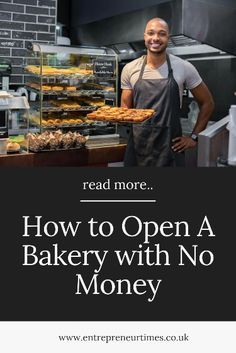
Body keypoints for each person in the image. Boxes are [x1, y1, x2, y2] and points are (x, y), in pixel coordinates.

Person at [121, 17, 215, 167]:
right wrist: (119, 117)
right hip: (138, 147)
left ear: (168, 38)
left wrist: (194, 137)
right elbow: (125, 107)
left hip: (170, 148)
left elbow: (208, 103)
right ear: (145, 36)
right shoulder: (130, 69)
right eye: (151, 33)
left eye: (162, 34)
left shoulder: (184, 67)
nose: (155, 38)